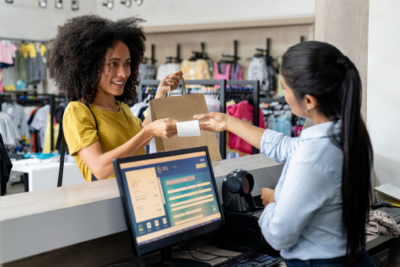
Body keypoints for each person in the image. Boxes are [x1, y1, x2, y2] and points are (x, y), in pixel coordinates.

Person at [195, 41, 375, 265]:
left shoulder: (313, 155)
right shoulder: (348, 135)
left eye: (285, 88)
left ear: (308, 101)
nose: (284, 96)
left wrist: (273, 203)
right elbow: (285, 147)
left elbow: (278, 236)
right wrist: (229, 121)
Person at [49, 15, 180, 182]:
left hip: (141, 196)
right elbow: (100, 168)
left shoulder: (121, 107)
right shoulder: (77, 112)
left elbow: (137, 137)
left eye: (127, 64)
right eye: (113, 64)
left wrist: (161, 93)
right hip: (109, 204)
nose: (123, 73)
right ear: (88, 65)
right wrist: (148, 132)